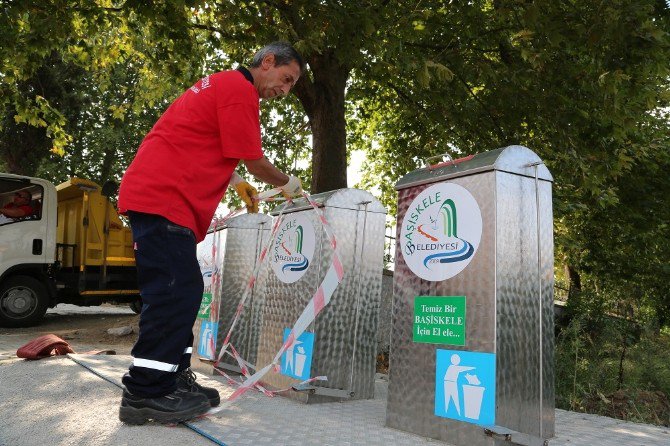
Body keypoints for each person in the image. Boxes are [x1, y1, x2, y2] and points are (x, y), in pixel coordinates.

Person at [116, 41, 305, 425]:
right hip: (163, 198)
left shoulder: (220, 86)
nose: (284, 91)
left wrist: (233, 182)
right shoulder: (239, 90)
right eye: (285, 79)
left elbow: (209, 143)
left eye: (291, 86)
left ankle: (171, 379)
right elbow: (254, 159)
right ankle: (145, 392)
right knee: (173, 293)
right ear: (266, 61)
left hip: (166, 200)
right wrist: (288, 184)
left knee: (184, 292)